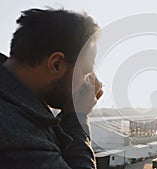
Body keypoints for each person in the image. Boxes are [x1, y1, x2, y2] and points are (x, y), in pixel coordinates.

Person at [0, 8, 103, 168]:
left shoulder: (18, 104)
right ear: (56, 65)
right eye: (84, 72)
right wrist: (77, 116)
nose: (86, 84)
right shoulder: (16, 134)